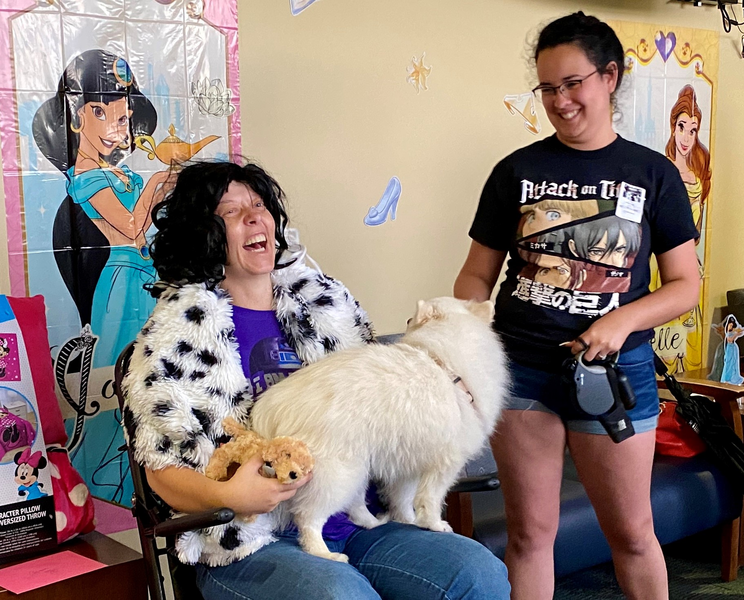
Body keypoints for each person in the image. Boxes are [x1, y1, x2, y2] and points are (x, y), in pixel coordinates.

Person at [122, 160, 511, 600]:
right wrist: (232, 494)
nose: (254, 217)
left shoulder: (330, 307)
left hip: (358, 516)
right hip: (252, 538)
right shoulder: (175, 337)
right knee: (340, 595)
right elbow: (161, 472)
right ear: (203, 235)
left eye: (259, 204)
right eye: (230, 212)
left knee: (479, 573)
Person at [453, 12, 700, 600]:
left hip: (614, 374)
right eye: (547, 87)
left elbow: (684, 284)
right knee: (529, 535)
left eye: (573, 83)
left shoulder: (654, 173)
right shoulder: (515, 172)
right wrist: (460, 346)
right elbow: (475, 277)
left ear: (609, 77)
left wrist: (621, 320)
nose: (559, 101)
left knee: (633, 534)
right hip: (520, 370)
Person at [33, 49, 173, 368]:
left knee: (152, 369)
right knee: (118, 367)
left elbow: (147, 223)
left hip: (147, 279)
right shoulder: (86, 176)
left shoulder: (118, 173)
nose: (121, 132)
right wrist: (156, 185)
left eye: (124, 119)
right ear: (82, 115)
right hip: (121, 284)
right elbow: (129, 225)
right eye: (109, 116)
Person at [665, 84, 711, 240]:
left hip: (688, 257)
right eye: (681, 127)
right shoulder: (663, 169)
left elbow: (697, 235)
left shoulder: (698, 179)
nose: (686, 138)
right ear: (673, 129)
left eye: (692, 131)